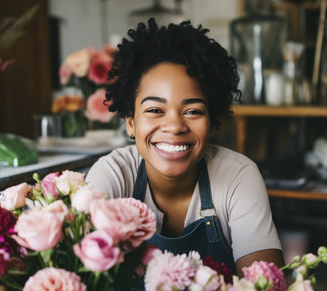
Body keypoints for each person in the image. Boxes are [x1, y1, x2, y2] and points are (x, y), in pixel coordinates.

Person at [86, 18, 284, 276]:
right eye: (155, 110)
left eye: (192, 111)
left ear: (212, 124)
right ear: (131, 123)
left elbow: (265, 287)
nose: (175, 126)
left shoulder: (238, 176)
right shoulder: (113, 174)